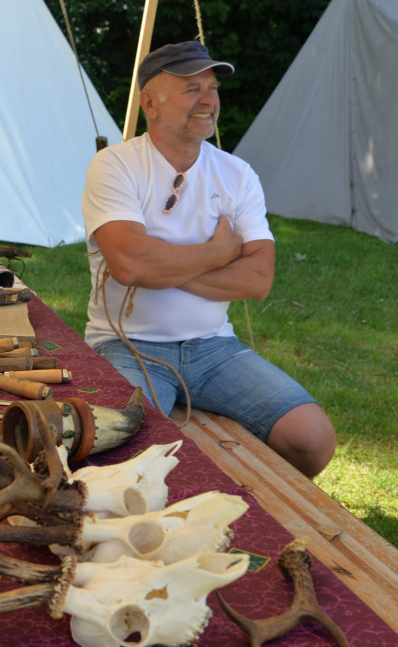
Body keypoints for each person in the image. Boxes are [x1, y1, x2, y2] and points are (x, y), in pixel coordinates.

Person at [82, 42, 335, 478]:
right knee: (126, 449)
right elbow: (130, 265)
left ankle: (262, 514)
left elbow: (258, 279)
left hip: (214, 349)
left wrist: (161, 264)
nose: (208, 100)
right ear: (150, 103)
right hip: (126, 345)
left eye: (212, 88)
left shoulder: (237, 173)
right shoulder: (115, 165)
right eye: (191, 88)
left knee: (312, 440)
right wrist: (219, 253)